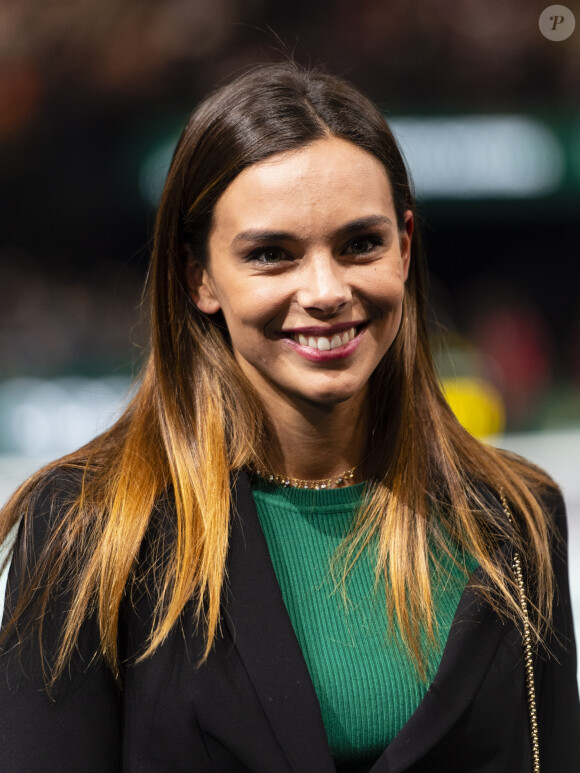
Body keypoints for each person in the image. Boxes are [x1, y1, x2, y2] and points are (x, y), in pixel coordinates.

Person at [0, 62, 578, 773]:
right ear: (198, 276)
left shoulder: (516, 517)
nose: (326, 290)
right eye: (272, 255)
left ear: (404, 246)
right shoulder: (89, 528)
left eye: (359, 244)